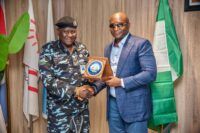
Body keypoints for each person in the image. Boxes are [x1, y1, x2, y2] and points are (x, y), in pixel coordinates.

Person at [91, 12, 157, 133]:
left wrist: (121, 82)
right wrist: (93, 89)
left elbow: (150, 73)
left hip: (135, 106)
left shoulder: (141, 44)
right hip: (113, 105)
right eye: (112, 26)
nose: (116, 29)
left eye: (120, 25)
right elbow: (107, 76)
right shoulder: (108, 48)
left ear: (128, 25)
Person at [39, 16, 93, 133]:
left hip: (81, 111)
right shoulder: (48, 49)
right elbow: (48, 80)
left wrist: (90, 86)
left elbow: (88, 75)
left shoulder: (82, 49)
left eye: (72, 32)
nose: (69, 35)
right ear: (58, 32)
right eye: (65, 32)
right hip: (59, 113)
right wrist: (75, 90)